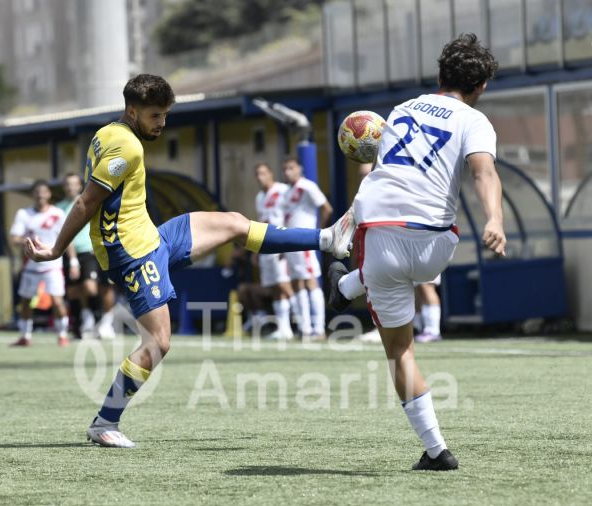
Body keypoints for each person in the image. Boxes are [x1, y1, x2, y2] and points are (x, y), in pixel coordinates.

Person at [24, 74, 355, 448]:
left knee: (232, 223)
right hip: (133, 254)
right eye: (154, 116)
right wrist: (54, 250)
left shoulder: (108, 133)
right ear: (132, 112)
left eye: (165, 115)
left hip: (152, 236)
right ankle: (105, 421)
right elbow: (86, 202)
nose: (162, 124)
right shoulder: (125, 148)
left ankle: (328, 238)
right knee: (158, 344)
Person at [327, 34, 506, 470]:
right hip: (436, 247)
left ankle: (436, 450)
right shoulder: (475, 121)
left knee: (400, 352)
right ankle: (349, 283)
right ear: (481, 88)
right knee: (409, 270)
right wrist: (494, 220)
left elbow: (381, 173)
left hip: (382, 238)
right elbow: (484, 173)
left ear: (439, 75)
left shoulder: (401, 111)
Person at [10, 180, 77, 347]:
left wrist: (74, 261)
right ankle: (25, 336)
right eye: (37, 192)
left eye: (44, 192)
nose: (40, 195)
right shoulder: (24, 214)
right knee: (26, 301)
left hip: (52, 266)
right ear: (33, 195)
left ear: (48, 194)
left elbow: (67, 239)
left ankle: (62, 334)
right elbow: (14, 238)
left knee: (57, 301)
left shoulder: (57, 214)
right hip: (30, 266)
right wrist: (27, 240)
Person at [282, 156, 333, 340]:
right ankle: (305, 329)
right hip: (291, 243)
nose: (287, 172)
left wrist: (319, 231)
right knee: (297, 283)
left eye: (291, 168)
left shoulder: (307, 186)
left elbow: (326, 207)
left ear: (299, 169)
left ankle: (318, 329)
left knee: (311, 281)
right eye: (285, 169)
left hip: (304, 241)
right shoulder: (288, 192)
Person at [56, 172, 101, 337]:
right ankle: (79, 325)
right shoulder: (59, 208)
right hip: (68, 254)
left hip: (88, 251)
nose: (70, 187)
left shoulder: (88, 202)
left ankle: (97, 321)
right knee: (74, 291)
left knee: (90, 287)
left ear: (80, 186)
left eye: (73, 184)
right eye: (67, 184)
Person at [254, 162, 295, 340]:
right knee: (273, 287)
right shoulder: (259, 197)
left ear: (270, 173)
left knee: (284, 284)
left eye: (263, 172)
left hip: (280, 243)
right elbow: (261, 222)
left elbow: (290, 215)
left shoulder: (283, 190)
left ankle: (303, 324)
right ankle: (284, 328)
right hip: (265, 245)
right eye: (257, 174)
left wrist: (289, 242)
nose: (260, 177)